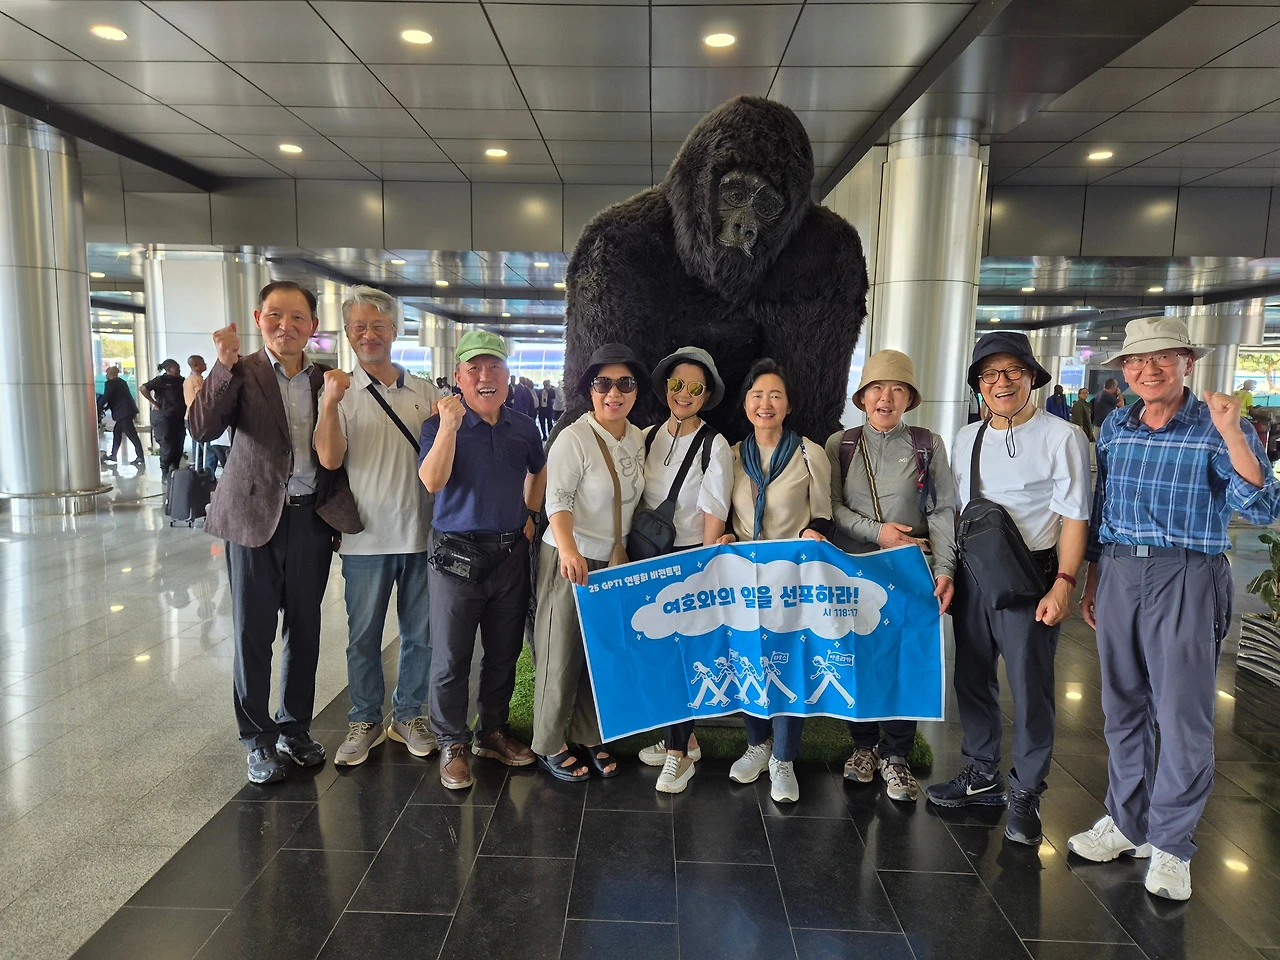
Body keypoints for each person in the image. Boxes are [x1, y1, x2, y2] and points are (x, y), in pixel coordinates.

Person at [1070, 318, 1280, 901]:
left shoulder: (1217, 426)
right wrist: (1093, 578)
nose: (1149, 369)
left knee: (1182, 714)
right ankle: (1128, 823)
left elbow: (1262, 507)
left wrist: (1233, 434)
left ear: (1188, 361)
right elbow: (1103, 506)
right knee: (1122, 707)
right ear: (1124, 370)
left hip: (1186, 572)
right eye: (1137, 360)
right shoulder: (1117, 425)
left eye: (1164, 357)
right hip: (1119, 569)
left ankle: (1171, 844)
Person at [189, 280, 362, 784]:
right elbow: (201, 429)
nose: (286, 326)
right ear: (258, 319)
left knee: (305, 631)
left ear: (313, 325)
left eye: (297, 317)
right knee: (253, 633)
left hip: (310, 520)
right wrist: (222, 364)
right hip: (253, 521)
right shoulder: (241, 371)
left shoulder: (326, 380)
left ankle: (294, 728)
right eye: (275, 315)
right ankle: (258, 739)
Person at [925, 331, 1090, 846]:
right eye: (989, 374)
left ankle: (1027, 792)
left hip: (1031, 577)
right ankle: (981, 773)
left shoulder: (1062, 436)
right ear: (978, 384)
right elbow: (955, 511)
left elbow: (1075, 517)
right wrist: (948, 570)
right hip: (973, 574)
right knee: (972, 678)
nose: (1002, 382)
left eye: (1012, 371)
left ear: (1031, 377)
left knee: (1031, 686)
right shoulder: (967, 436)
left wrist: (1064, 583)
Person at [314, 286, 441, 766]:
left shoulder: (426, 392)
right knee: (363, 637)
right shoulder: (339, 391)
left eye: (378, 325)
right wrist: (329, 404)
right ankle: (364, 718)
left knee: (420, 636)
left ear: (394, 330)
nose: (369, 334)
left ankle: (408, 715)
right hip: (364, 539)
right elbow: (329, 458)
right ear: (348, 333)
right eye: (359, 327)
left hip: (422, 536)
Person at [824, 350, 955, 804]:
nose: (886, 397)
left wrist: (944, 568)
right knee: (856, 656)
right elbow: (831, 507)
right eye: (877, 388)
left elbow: (942, 510)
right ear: (862, 397)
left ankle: (896, 755)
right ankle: (863, 747)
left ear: (909, 399)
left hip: (909, 571)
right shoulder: (840, 444)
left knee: (904, 657)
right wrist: (877, 532)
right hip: (853, 568)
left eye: (898, 389)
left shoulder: (927, 444)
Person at [419, 330, 545, 790]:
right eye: (474, 368)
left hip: (510, 554)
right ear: (459, 377)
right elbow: (432, 482)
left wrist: (530, 513)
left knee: (504, 652)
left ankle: (490, 731)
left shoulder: (523, 426)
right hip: (456, 556)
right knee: (452, 656)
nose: (485, 376)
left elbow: (539, 468)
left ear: (508, 376)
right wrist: (449, 428)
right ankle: (451, 741)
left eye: (494, 367)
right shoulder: (438, 425)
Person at [717, 359, 834, 804]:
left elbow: (823, 513)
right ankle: (757, 744)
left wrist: (813, 532)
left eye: (775, 396)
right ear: (746, 403)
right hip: (744, 579)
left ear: (788, 405)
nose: (765, 404)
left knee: (789, 663)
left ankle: (783, 758)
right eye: (757, 395)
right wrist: (728, 536)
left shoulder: (809, 453)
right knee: (748, 656)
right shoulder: (731, 455)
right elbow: (725, 515)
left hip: (792, 579)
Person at [533, 343, 650, 783]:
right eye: (603, 383)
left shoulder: (638, 438)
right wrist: (568, 550)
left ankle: (588, 734)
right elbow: (557, 501)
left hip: (614, 562)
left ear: (636, 391)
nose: (613, 393)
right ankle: (548, 742)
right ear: (589, 389)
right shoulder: (573, 437)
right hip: (571, 558)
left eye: (625, 383)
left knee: (598, 654)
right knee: (559, 651)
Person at [631, 347, 734, 794]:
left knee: (681, 657)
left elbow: (715, 512)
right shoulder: (647, 436)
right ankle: (685, 739)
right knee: (659, 653)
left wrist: (704, 570)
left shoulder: (715, 445)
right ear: (665, 388)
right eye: (677, 384)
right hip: (646, 557)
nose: (684, 393)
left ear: (707, 394)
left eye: (695, 387)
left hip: (688, 561)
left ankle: (679, 755)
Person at [139, 359, 187, 477]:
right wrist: (154, 402)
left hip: (179, 417)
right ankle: (164, 473)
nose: (179, 371)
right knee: (167, 446)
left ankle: (175, 470)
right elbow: (143, 388)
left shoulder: (181, 380)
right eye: (176, 369)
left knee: (178, 445)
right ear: (168, 369)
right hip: (164, 417)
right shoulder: (160, 380)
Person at [98, 365, 145, 465]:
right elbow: (116, 397)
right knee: (117, 432)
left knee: (132, 434)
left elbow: (107, 397)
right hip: (127, 411)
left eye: (107, 373)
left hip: (123, 413)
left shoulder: (110, 383)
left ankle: (140, 456)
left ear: (110, 374)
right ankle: (113, 455)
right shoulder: (121, 382)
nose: (106, 375)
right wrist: (106, 407)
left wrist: (98, 407)